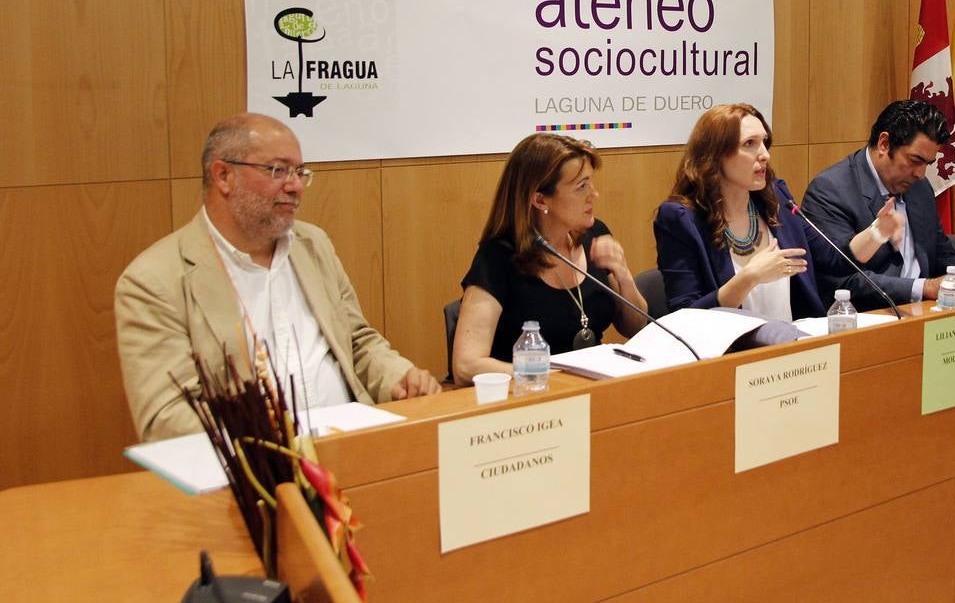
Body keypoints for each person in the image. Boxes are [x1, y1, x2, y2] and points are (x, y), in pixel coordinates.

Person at [116, 113, 439, 442]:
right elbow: (165, 418)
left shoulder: (313, 245)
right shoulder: (155, 280)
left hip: (351, 447)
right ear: (223, 175)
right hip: (252, 471)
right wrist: (271, 439)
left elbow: (357, 343)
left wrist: (399, 377)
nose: (295, 185)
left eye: (300, 172)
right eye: (278, 170)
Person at [454, 133, 648, 385]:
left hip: (593, 392)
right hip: (527, 402)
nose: (594, 195)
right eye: (581, 186)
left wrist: (622, 274)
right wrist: (552, 379)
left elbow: (635, 326)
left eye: (591, 183)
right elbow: (465, 366)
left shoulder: (594, 235)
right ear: (540, 199)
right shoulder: (499, 258)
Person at [800, 99, 955, 310]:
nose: (920, 174)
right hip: (869, 320)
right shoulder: (830, 190)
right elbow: (844, 280)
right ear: (884, 143)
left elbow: (941, 254)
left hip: (925, 314)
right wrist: (924, 287)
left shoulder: (920, 188)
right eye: (914, 160)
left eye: (927, 164)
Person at [653, 103, 840, 323]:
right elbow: (684, 318)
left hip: (792, 348)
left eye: (764, 142)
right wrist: (750, 277)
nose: (764, 155)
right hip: (731, 354)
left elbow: (833, 258)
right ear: (716, 154)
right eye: (750, 143)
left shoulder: (775, 199)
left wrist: (878, 232)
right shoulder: (681, 219)